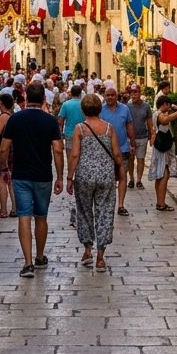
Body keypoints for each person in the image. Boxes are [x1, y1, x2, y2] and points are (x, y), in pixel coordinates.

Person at [0, 82, 64, 278]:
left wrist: (4, 167)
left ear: (26, 98)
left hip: (21, 175)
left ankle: (27, 263)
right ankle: (40, 255)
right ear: (44, 99)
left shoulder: (15, 119)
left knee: (24, 217)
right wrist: (60, 176)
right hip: (43, 175)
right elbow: (58, 150)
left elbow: (4, 148)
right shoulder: (50, 121)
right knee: (41, 216)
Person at [66, 93, 122, 271]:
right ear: (100, 108)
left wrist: (69, 177)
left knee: (84, 212)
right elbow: (117, 154)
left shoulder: (80, 129)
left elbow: (75, 154)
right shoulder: (109, 128)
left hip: (84, 177)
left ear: (83, 110)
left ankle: (87, 249)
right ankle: (100, 256)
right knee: (105, 212)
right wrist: (120, 171)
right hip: (105, 176)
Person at [149, 94, 177, 211]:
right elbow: (167, 120)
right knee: (163, 175)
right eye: (168, 104)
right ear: (165, 104)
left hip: (162, 148)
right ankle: (161, 203)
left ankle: (160, 202)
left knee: (161, 175)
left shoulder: (159, 113)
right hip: (162, 149)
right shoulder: (159, 114)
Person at [100, 85, 135, 216]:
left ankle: (120, 204)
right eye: (107, 95)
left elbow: (129, 126)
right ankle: (107, 203)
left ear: (116, 96)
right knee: (107, 178)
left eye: (112, 95)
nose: (109, 97)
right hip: (105, 150)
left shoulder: (124, 109)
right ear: (104, 96)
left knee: (122, 176)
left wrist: (132, 143)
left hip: (123, 148)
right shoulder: (101, 110)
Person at [126, 85, 154, 188]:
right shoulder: (127, 107)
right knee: (130, 159)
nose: (133, 95)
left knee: (140, 159)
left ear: (140, 93)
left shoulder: (146, 106)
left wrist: (151, 136)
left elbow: (150, 122)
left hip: (142, 136)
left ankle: (139, 180)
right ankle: (131, 179)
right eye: (132, 93)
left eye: (136, 92)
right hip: (130, 138)